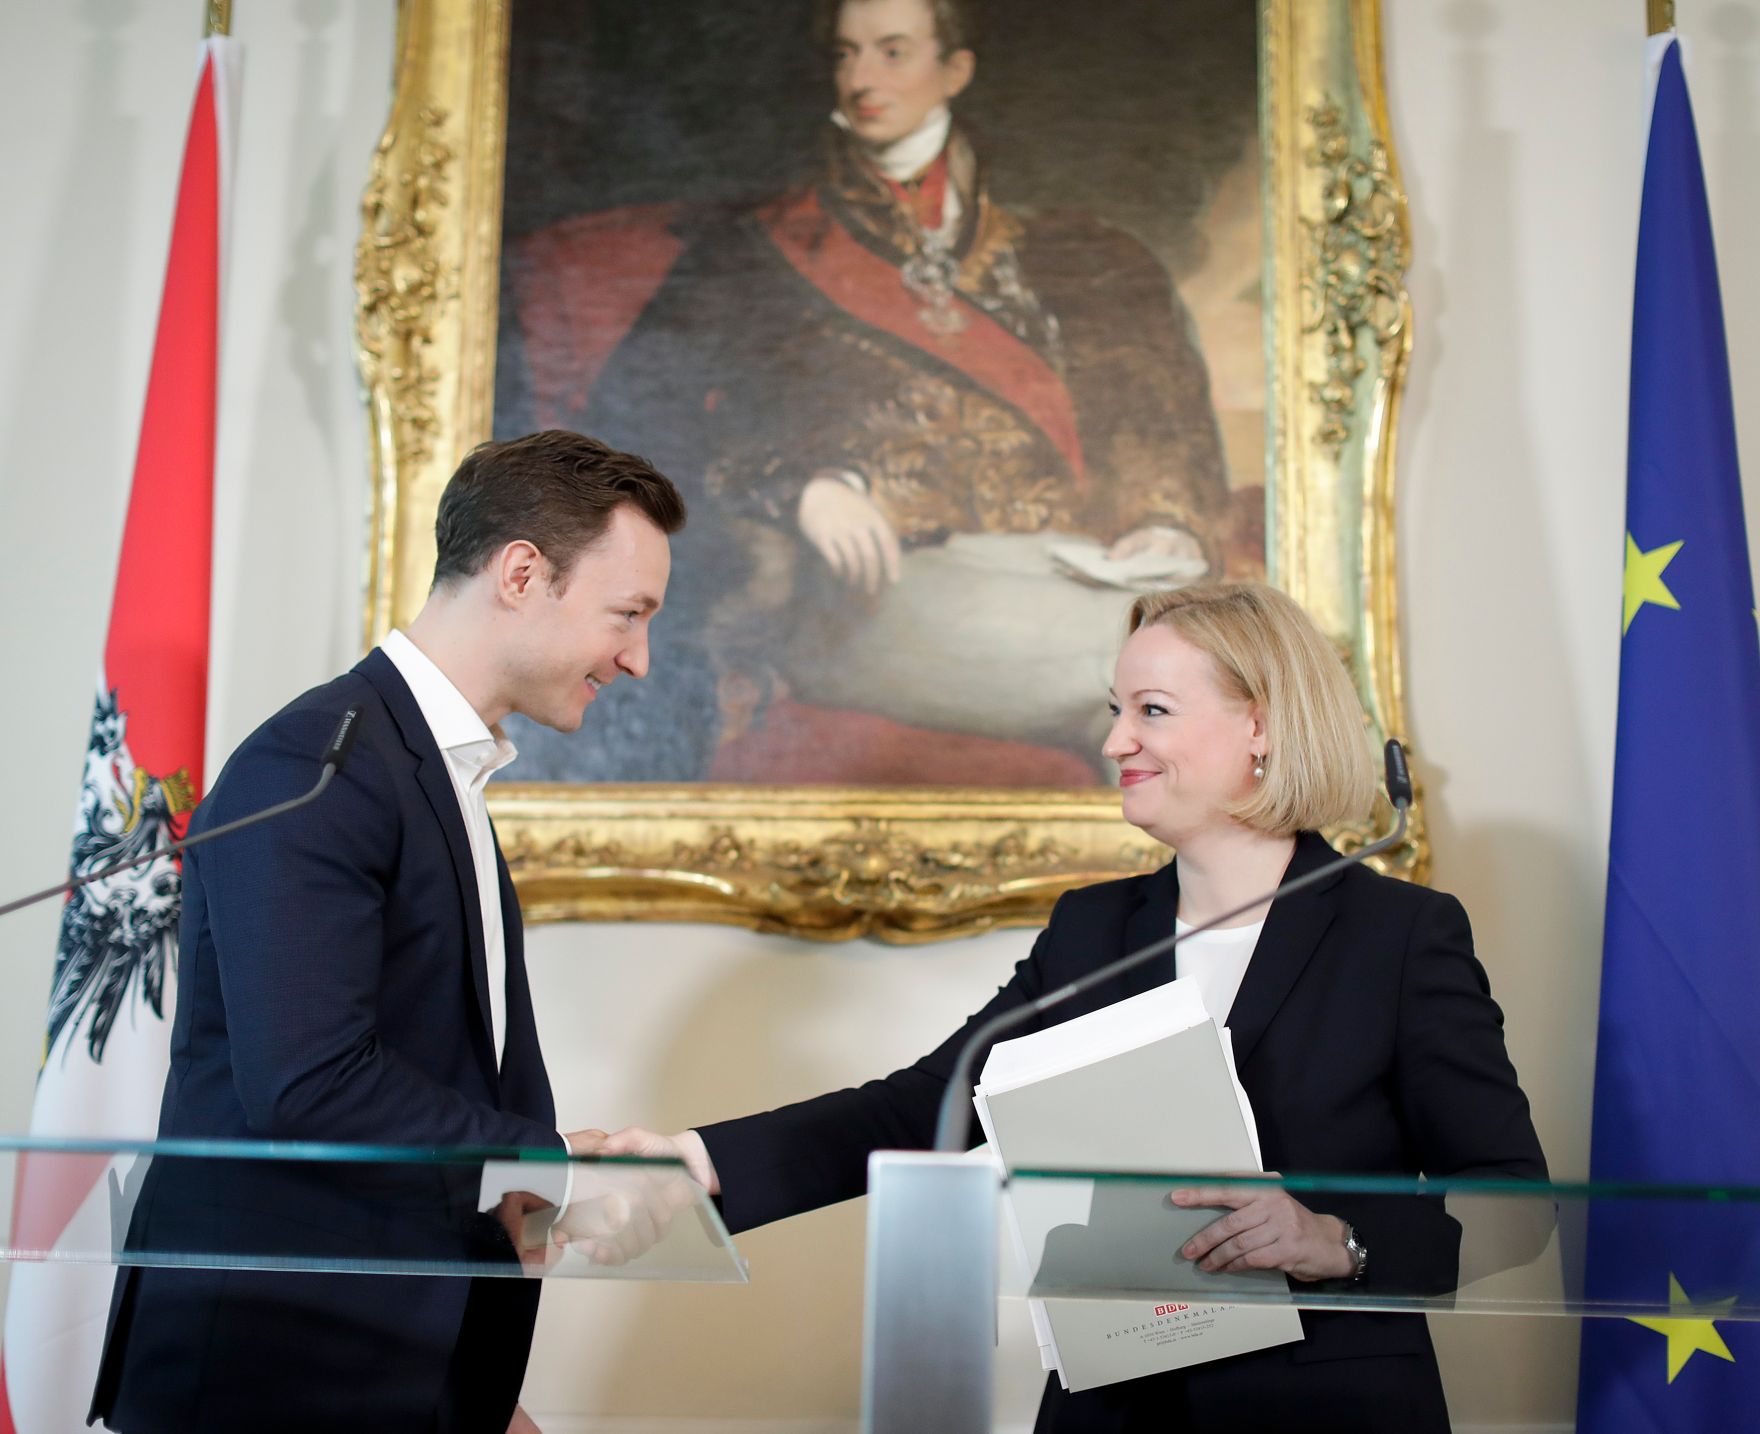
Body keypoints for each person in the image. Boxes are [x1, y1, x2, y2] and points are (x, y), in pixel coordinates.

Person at [599, 581, 1548, 1433]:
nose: (1113, 741)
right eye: (1113, 710)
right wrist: (694, 1163)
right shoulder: (1093, 930)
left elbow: (1515, 1205)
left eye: (1153, 711)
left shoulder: (1401, 935)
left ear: (1260, 725)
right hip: (1116, 1413)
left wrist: (1338, 1241)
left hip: (1324, 1409)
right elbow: (926, 1106)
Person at [88, 431, 684, 1434]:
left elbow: (431, 1077)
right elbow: (308, 1082)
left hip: (389, 1367)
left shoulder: (422, 769)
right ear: (522, 573)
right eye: (626, 616)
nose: (637, 658)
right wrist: (552, 1163)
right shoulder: (314, 765)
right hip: (270, 1373)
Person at [505, 0, 1257, 781]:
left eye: (893, 52)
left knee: (1193, 640)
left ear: (955, 70)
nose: (862, 78)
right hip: (861, 594)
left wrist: (1162, 522)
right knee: (1171, 668)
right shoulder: (754, 251)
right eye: (845, 54)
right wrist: (796, 487)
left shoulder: (1077, 256)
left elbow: (1144, 413)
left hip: (1059, 567)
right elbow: (629, 432)